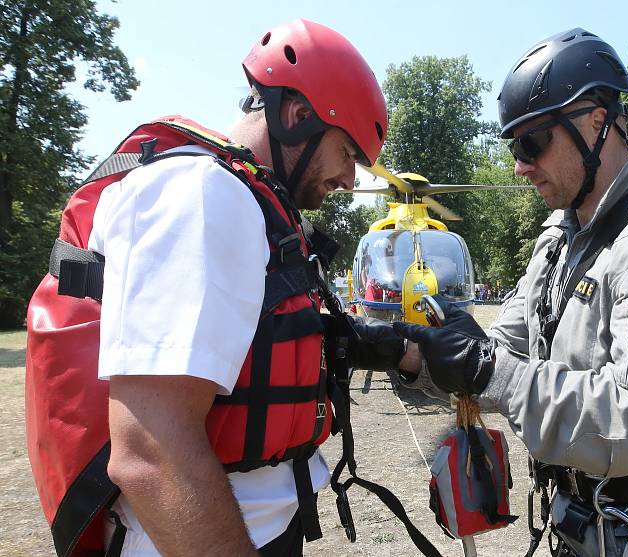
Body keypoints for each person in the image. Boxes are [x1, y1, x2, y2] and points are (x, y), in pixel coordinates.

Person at [394, 28, 628, 557]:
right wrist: (400, 352)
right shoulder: (560, 239)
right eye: (513, 147)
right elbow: (500, 352)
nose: (519, 165)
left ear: (596, 123)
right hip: (580, 527)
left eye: (532, 142)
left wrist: (491, 369)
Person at [93, 19, 405, 557]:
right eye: (349, 154)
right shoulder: (201, 193)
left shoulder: (250, 202)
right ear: (297, 116)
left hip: (254, 526)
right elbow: (151, 452)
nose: (351, 181)